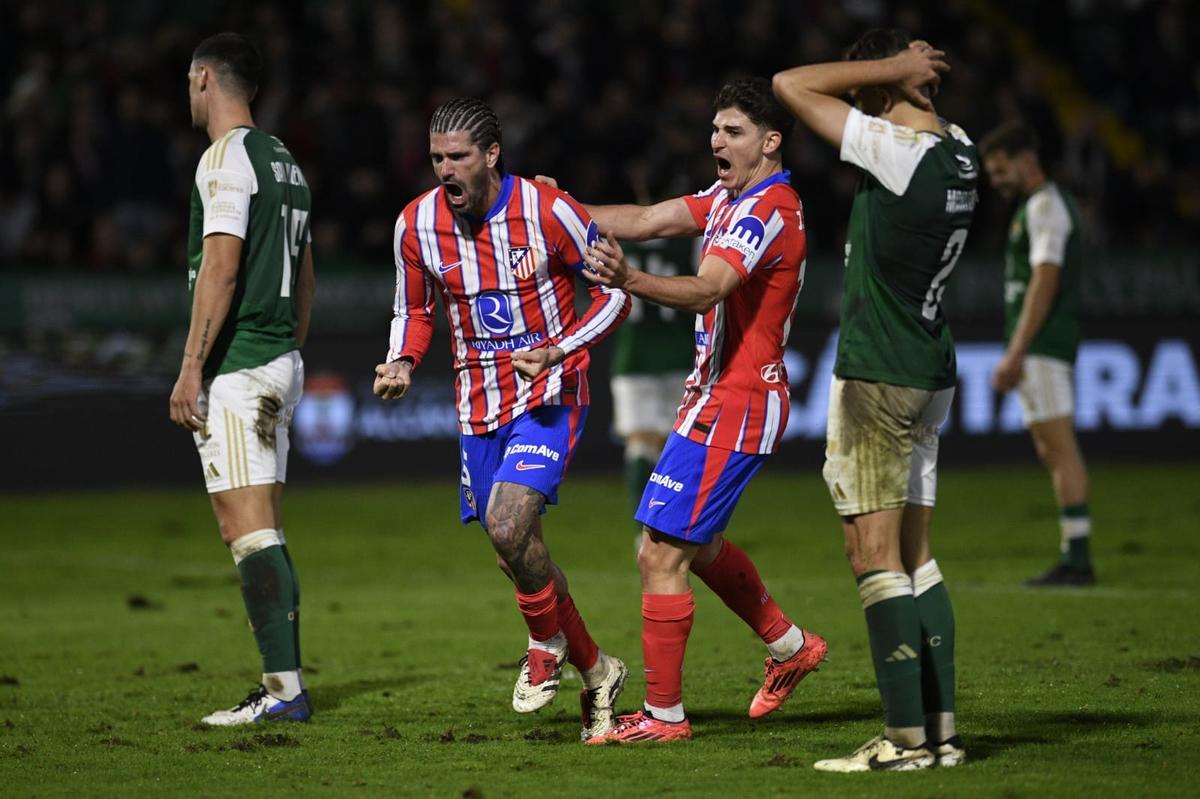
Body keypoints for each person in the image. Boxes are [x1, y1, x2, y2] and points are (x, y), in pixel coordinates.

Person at [570, 77, 828, 745]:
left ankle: (664, 718)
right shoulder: (727, 196)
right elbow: (647, 218)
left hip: (738, 404)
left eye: (733, 130)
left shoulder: (767, 210)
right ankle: (789, 644)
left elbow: (708, 287)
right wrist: (554, 208)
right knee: (697, 542)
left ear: (771, 142)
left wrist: (629, 279)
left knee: (660, 552)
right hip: (710, 398)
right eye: (714, 129)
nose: (717, 139)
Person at [372, 98, 631, 742]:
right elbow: (415, 308)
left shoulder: (548, 211)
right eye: (436, 158)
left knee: (509, 522)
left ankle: (544, 646)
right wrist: (401, 360)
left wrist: (560, 348)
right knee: (515, 553)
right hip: (477, 406)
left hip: (549, 393)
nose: (445, 170)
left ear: (491, 155)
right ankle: (599, 671)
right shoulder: (416, 225)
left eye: (458, 156)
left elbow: (617, 292)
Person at [773, 30, 977, 771]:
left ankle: (904, 740)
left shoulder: (899, 151)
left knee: (872, 552)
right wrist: (904, 81)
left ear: (875, 90)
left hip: (880, 372)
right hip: (930, 369)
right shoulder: (959, 147)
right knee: (918, 555)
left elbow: (790, 85)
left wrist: (890, 72)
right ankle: (942, 732)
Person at [168, 32, 314, 725]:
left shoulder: (223, 158)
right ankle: (283, 685)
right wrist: (291, 349)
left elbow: (221, 265)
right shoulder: (284, 159)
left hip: (241, 363)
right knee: (264, 524)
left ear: (204, 79)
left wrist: (193, 365)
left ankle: (283, 690)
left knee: (246, 527)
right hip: (279, 357)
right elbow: (306, 272)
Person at [981, 122, 1094, 587]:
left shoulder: (1046, 207)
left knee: (1059, 448)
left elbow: (1045, 280)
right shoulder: (1036, 207)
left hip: (1043, 346)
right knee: (1052, 448)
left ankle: (1078, 560)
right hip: (1042, 346)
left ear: (1026, 160)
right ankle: (1075, 553)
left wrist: (1017, 351)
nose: (996, 180)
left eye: (1001, 169)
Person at [609, 239, 695, 529]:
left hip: (634, 357)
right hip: (681, 353)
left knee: (639, 444)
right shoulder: (689, 243)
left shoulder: (617, 243)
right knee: (682, 447)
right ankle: (680, 526)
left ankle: (642, 530)